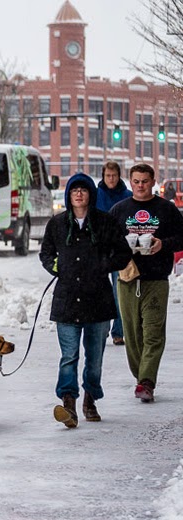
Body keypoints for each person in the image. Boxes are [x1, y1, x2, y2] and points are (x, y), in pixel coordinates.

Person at [40, 173, 132, 428]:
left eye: (83, 190)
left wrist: (103, 264)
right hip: (67, 300)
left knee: (94, 357)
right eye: (74, 190)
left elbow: (122, 253)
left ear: (91, 194)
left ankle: (90, 399)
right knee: (68, 356)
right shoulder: (58, 224)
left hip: (97, 301)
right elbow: (46, 253)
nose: (78, 194)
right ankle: (68, 403)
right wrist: (55, 266)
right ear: (69, 196)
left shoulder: (105, 222)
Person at [109, 164, 183, 403]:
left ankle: (147, 381)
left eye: (145, 181)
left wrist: (163, 244)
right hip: (128, 279)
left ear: (153, 182)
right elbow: (107, 242)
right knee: (132, 334)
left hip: (156, 280)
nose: (140, 186)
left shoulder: (167, 209)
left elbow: (181, 237)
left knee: (153, 333)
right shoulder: (119, 210)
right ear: (130, 182)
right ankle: (141, 376)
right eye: (136, 181)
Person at [97, 161, 133, 346]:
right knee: (101, 292)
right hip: (100, 250)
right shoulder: (96, 195)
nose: (111, 179)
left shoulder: (127, 196)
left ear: (119, 176)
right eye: (107, 175)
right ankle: (101, 330)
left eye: (114, 175)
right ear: (103, 176)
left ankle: (118, 331)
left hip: (120, 249)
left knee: (119, 291)